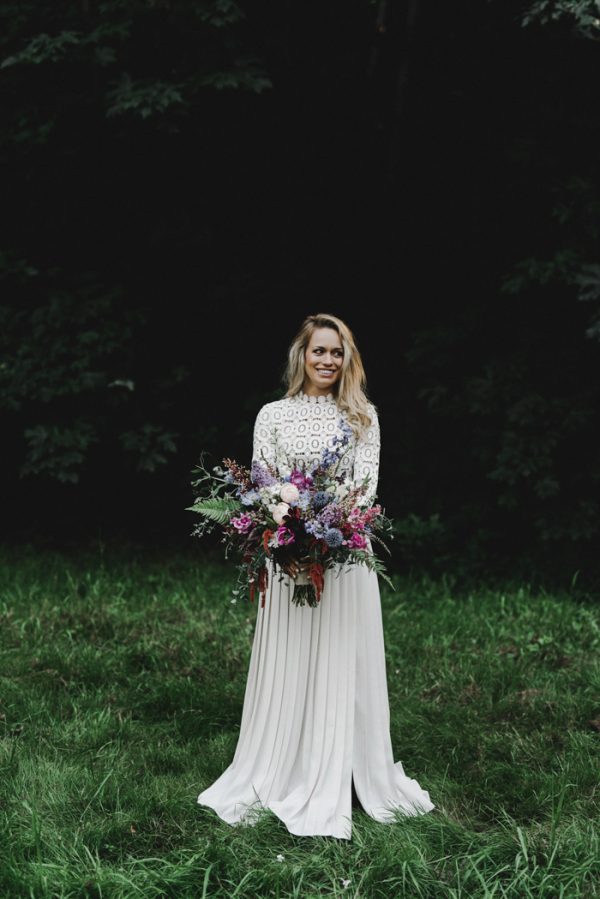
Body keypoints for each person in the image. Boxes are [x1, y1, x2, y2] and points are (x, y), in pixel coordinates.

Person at [197, 312, 435, 839]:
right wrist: (291, 537)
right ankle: (280, 762)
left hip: (345, 556)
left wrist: (328, 537)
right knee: (290, 653)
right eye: (318, 351)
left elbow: (363, 488)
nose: (327, 361)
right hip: (285, 555)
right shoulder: (272, 414)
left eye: (336, 352)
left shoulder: (362, 416)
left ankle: (343, 764)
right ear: (301, 356)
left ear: (347, 359)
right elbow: (264, 481)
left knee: (339, 655)